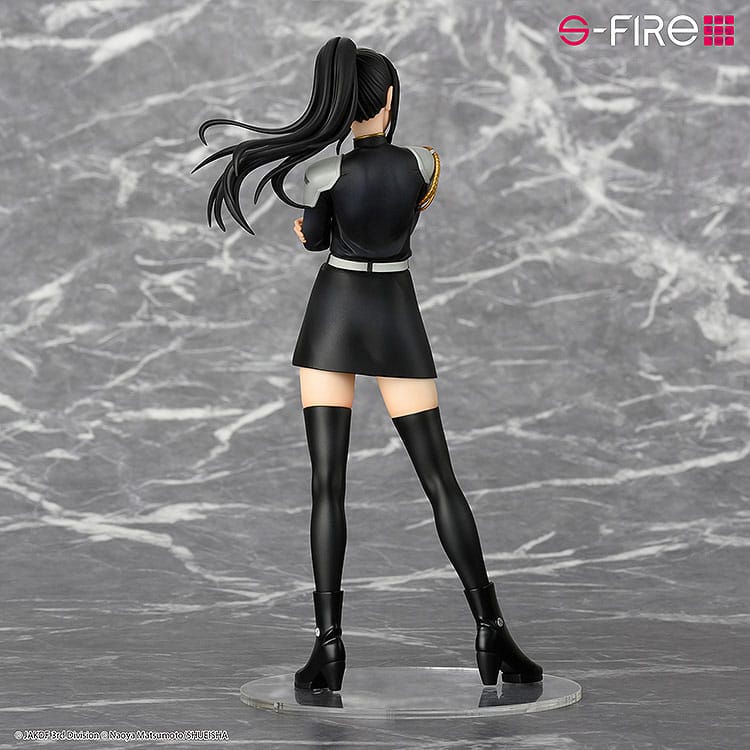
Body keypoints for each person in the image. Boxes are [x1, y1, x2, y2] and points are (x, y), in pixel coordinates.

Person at [192, 36, 543, 692]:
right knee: (440, 479)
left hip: (335, 314)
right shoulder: (424, 164)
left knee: (327, 485)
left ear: (339, 103)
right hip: (395, 314)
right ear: (389, 99)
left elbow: (317, 238)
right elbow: (400, 216)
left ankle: (328, 647)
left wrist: (312, 232)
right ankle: (490, 629)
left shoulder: (323, 173)